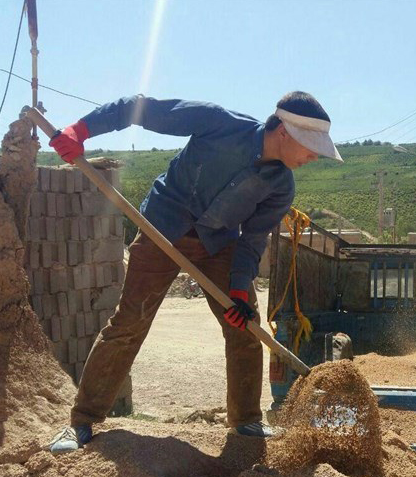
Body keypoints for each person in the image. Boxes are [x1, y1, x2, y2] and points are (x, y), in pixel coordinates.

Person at [47, 92, 342, 453]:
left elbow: (252, 240)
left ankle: (246, 420)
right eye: (311, 147)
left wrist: (237, 291)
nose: (314, 156)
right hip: (162, 230)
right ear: (284, 130)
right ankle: (82, 422)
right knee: (128, 325)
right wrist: (81, 130)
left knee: (245, 328)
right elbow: (139, 109)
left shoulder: (281, 186)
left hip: (218, 244)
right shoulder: (218, 123)